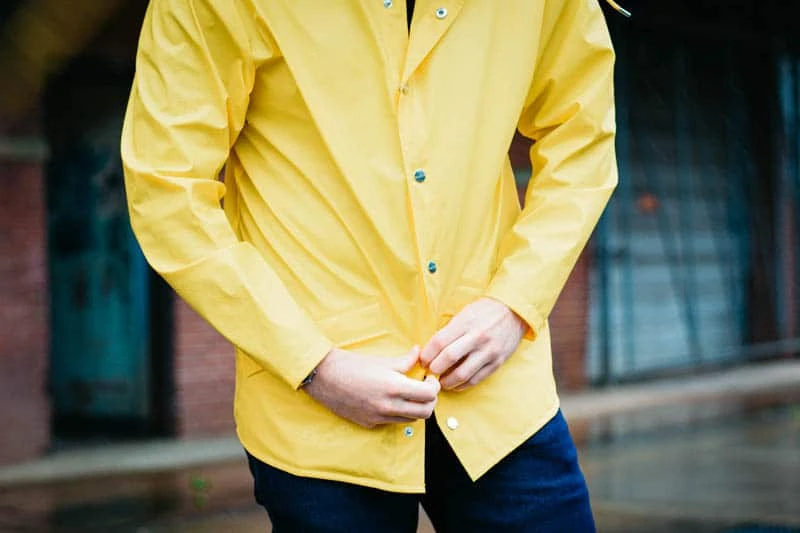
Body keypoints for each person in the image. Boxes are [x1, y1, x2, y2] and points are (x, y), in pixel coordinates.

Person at [122, 0, 618, 530]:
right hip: (319, 415)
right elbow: (167, 189)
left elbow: (581, 137)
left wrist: (515, 303)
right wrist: (309, 363)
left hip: (498, 396)